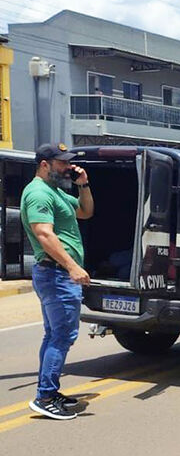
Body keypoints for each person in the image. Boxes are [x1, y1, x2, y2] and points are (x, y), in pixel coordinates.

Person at [21, 143, 93, 420]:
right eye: (61, 163)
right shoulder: (39, 193)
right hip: (56, 274)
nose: (67, 167)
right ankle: (45, 396)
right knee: (63, 335)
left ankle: (49, 391)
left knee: (54, 334)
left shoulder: (56, 192)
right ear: (44, 164)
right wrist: (73, 266)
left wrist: (83, 185)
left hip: (57, 275)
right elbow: (44, 234)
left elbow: (86, 212)